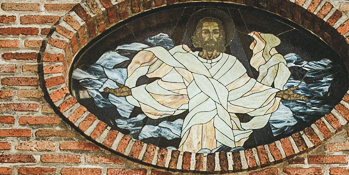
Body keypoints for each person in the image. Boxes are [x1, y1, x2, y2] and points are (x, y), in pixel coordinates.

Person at [106, 11, 290, 153]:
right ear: (196, 37)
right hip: (194, 124)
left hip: (225, 125)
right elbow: (167, 91)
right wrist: (132, 93)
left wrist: (277, 93)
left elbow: (247, 91)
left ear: (223, 37)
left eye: (216, 32)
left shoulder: (231, 63)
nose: (211, 36)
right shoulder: (184, 60)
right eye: (206, 32)